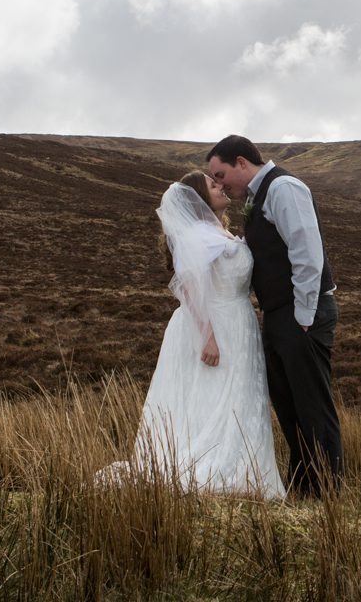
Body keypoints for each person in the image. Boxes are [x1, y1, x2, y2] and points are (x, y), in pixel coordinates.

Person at [105, 171, 285, 499]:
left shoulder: (220, 232)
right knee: (213, 396)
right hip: (215, 325)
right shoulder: (199, 236)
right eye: (212, 185)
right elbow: (188, 288)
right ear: (200, 198)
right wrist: (208, 337)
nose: (220, 186)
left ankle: (243, 468)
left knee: (236, 396)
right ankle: (212, 467)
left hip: (237, 323)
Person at [207, 135, 342, 497]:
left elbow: (307, 253)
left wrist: (303, 317)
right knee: (288, 405)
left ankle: (325, 491)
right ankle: (303, 484)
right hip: (279, 314)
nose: (220, 184)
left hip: (300, 314)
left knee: (312, 403)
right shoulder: (256, 198)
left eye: (220, 175)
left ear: (241, 162)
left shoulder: (283, 187)